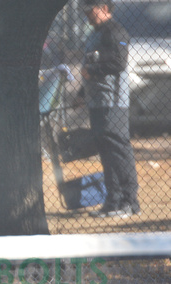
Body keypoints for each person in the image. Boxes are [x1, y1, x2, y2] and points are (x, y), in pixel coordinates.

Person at [79, 0, 140, 218]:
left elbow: (119, 62)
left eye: (90, 10)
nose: (87, 14)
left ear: (104, 8)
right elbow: (89, 65)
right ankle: (113, 200)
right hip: (97, 101)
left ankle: (129, 202)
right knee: (105, 150)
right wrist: (80, 94)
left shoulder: (115, 32)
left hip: (113, 101)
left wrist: (93, 71)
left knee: (118, 148)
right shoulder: (95, 33)